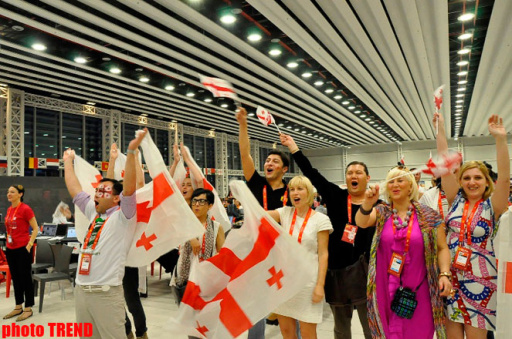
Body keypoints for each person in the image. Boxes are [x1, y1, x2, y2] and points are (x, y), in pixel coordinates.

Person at [280, 133, 374, 339]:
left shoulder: (376, 205)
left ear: (368, 178)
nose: (354, 176)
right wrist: (294, 148)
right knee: (341, 329)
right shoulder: (336, 196)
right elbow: (312, 174)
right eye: (350, 173)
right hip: (337, 273)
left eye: (359, 172)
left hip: (366, 274)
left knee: (371, 327)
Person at [63, 129, 146, 339]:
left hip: (106, 293)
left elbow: (129, 189)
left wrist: (132, 152)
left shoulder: (123, 217)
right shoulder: (93, 212)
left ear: (117, 198)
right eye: (96, 191)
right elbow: (75, 190)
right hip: (82, 291)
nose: (96, 195)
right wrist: (67, 162)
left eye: (103, 192)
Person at [435, 113, 510, 338]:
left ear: (487, 181)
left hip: (482, 283)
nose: (472, 182)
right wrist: (439, 130)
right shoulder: (455, 200)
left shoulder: (493, 205)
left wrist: (500, 140)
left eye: (478, 177)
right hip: (451, 279)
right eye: (466, 178)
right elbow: (445, 163)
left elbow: (505, 178)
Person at [355, 167, 452, 338]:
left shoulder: (429, 216)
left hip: (420, 290)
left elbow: (442, 247)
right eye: (391, 181)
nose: (395, 185)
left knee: (419, 332)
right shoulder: (382, 213)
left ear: (411, 186)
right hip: (384, 289)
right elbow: (361, 222)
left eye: (400, 180)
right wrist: (367, 203)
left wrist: (444, 274)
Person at [237, 106, 291, 338]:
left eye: (274, 161)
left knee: (289, 303)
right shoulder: (257, 184)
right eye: (267, 160)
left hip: (284, 251)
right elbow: (245, 154)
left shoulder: (293, 190)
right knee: (255, 303)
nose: (268, 163)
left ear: (284, 169)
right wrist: (243, 125)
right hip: (257, 250)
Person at [267, 176, 332, 339]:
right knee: (287, 332)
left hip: (308, 283)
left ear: (309, 193)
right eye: (292, 190)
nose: (295, 193)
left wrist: (320, 285)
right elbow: (263, 216)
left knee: (308, 333)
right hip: (285, 282)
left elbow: (323, 254)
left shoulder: (320, 219)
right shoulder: (284, 213)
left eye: (300, 189)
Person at [106, 143, 148, 339]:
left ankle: (141, 333)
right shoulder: (109, 207)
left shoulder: (131, 206)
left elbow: (139, 183)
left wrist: (136, 159)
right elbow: (107, 184)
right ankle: (127, 331)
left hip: (128, 259)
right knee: (114, 302)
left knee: (132, 300)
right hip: (109, 260)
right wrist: (113, 159)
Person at [173, 188, 225, 305]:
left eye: (201, 202)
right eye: (194, 201)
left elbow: (222, 255)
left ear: (210, 205)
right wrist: (191, 237)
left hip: (206, 278)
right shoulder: (184, 224)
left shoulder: (216, 227)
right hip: (184, 277)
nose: (197, 204)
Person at [3, 184, 38, 321]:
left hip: (23, 248)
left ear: (20, 194)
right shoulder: (9, 209)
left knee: (25, 278)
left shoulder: (25, 209)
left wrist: (29, 245)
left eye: (12, 192)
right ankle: (18, 306)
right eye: (8, 192)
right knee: (15, 279)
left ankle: (28, 307)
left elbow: (35, 228)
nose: (9, 194)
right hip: (10, 248)